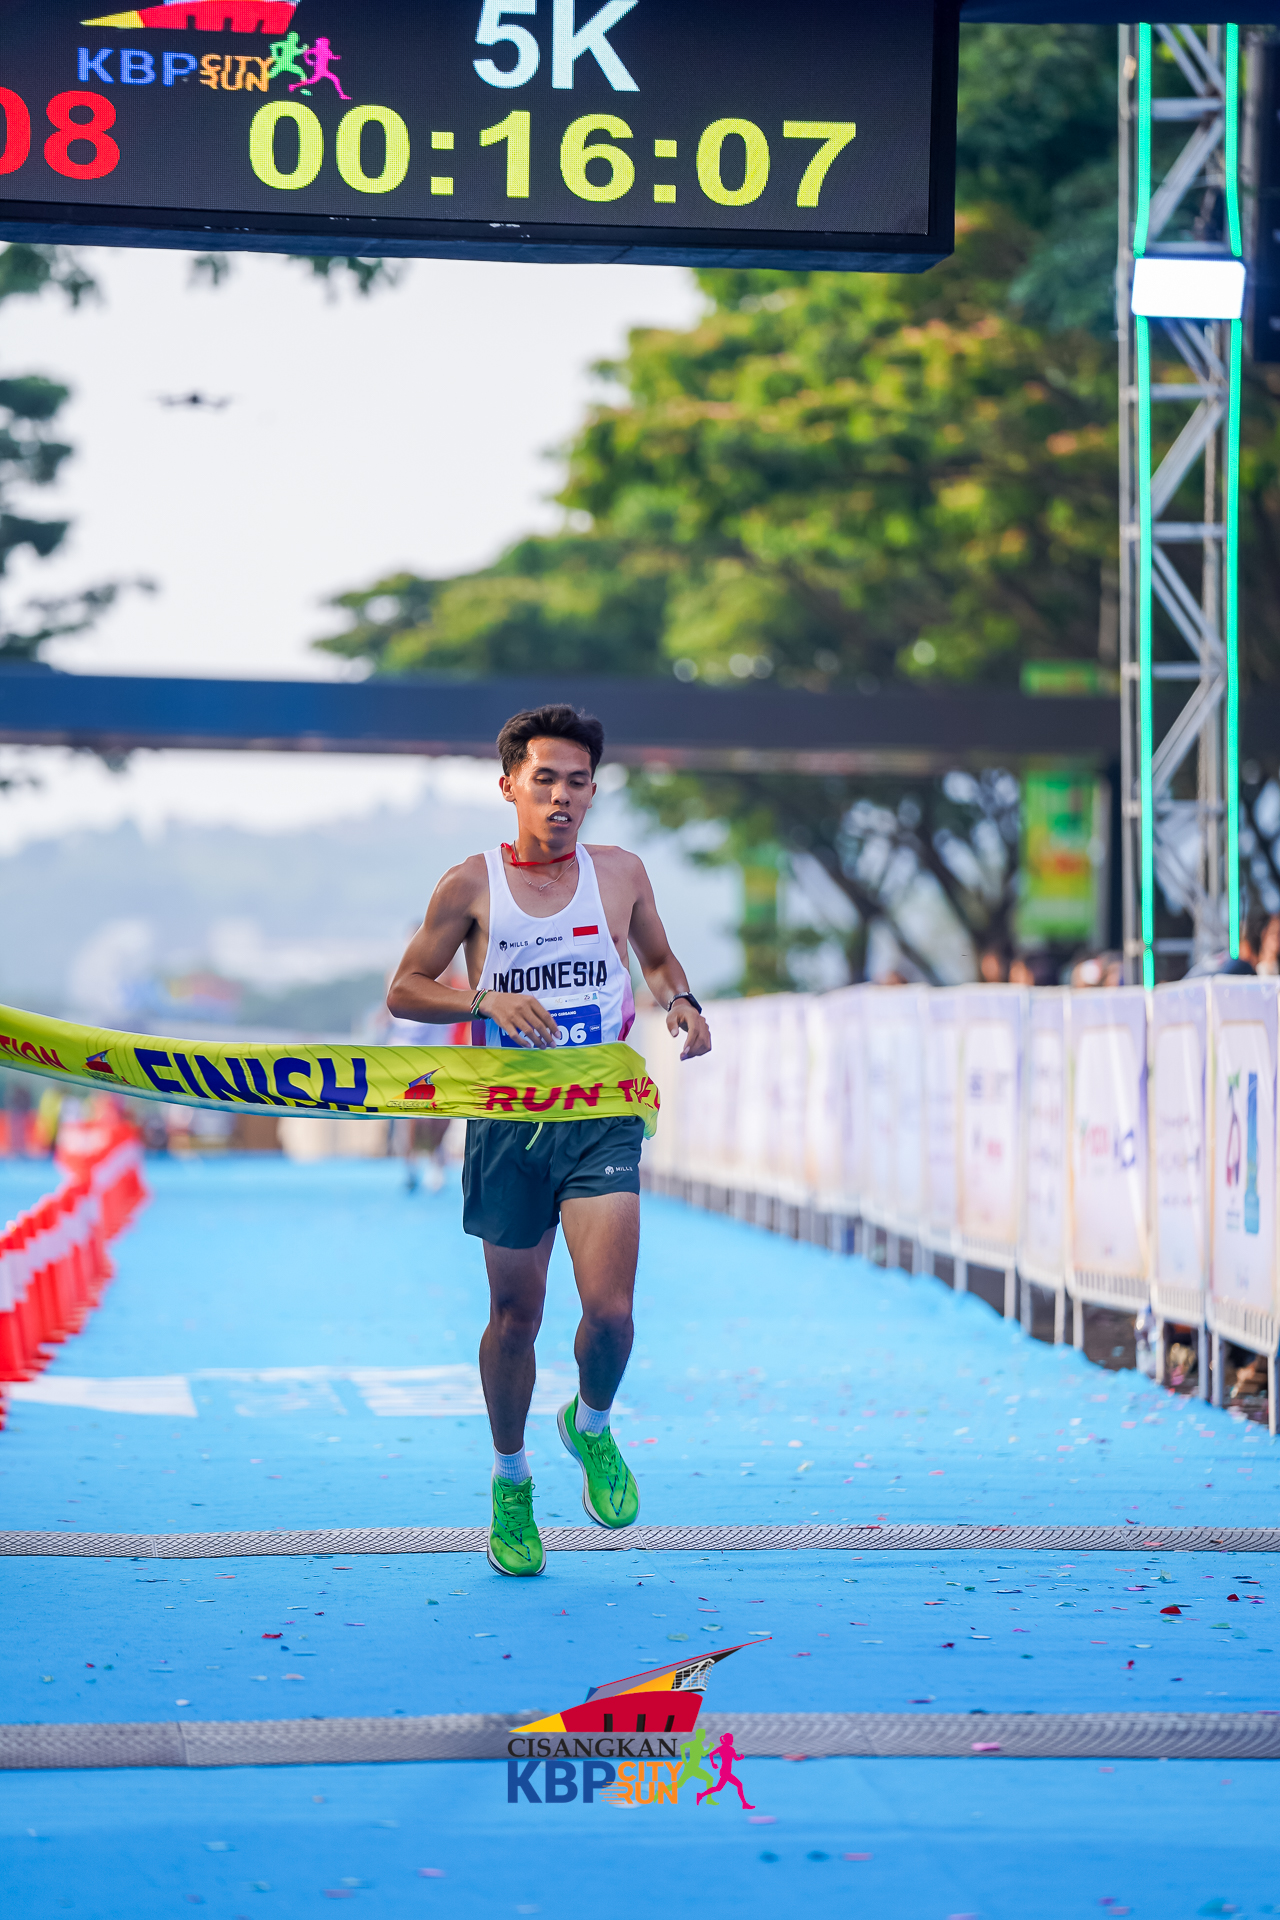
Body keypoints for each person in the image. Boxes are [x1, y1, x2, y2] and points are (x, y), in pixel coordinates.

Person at [386, 704, 712, 1578]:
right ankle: (511, 1479)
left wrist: (682, 1001)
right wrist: (483, 999)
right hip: (506, 1122)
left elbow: (658, 960)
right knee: (515, 1317)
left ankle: (590, 1425)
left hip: (601, 1112)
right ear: (510, 787)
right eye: (545, 780)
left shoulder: (622, 874)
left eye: (578, 782)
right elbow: (406, 988)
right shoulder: (470, 884)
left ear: (593, 791)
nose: (563, 796)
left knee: (610, 1313)